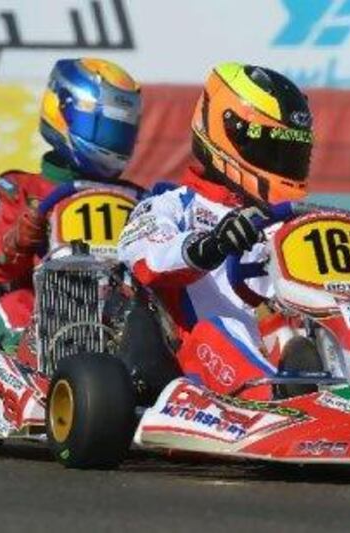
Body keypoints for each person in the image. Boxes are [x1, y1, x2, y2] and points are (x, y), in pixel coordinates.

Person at [117, 62, 313, 400]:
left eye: (293, 150)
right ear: (228, 134)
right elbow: (149, 262)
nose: (283, 160)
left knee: (313, 333)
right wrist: (212, 244)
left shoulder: (291, 221)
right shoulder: (170, 205)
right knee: (226, 327)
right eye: (273, 148)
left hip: (283, 347)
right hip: (196, 359)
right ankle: (277, 399)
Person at [0, 58, 143, 354]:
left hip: (120, 313)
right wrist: (17, 239)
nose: (113, 142)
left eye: (120, 131)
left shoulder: (139, 199)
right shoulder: (13, 190)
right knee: (17, 307)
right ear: (62, 112)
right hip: (40, 309)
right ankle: (26, 372)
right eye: (105, 128)